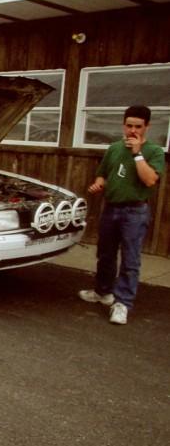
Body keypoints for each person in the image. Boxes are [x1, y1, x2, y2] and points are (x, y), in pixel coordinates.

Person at [78, 105, 165, 325]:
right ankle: (103, 292)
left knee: (130, 259)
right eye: (129, 126)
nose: (132, 131)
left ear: (147, 127)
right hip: (112, 208)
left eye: (138, 126)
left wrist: (137, 155)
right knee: (105, 254)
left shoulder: (154, 151)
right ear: (123, 125)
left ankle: (122, 303)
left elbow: (150, 180)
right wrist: (98, 185)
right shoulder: (114, 148)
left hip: (135, 211)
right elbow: (103, 174)